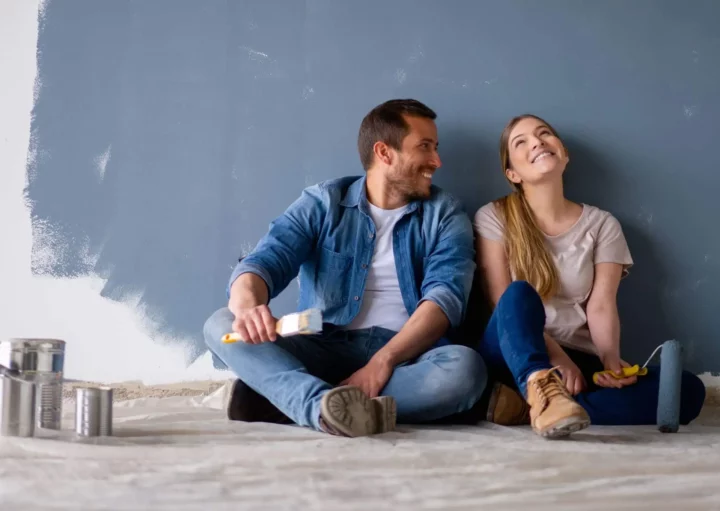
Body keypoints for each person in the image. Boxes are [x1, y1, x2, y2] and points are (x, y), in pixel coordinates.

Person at [203, 99, 488, 437]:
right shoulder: (323, 202)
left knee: (465, 371)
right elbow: (266, 259)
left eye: (435, 148)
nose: (436, 161)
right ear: (384, 153)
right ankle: (321, 407)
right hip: (321, 344)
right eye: (424, 147)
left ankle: (285, 400)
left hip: (407, 356)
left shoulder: (446, 213)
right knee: (220, 324)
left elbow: (446, 299)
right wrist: (248, 305)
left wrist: (383, 361)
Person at [472, 114, 706, 438]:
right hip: (516, 355)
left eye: (544, 134)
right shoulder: (494, 216)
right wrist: (554, 358)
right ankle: (542, 392)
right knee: (519, 293)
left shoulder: (602, 225)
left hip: (580, 362)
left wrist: (610, 360)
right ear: (512, 173)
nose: (537, 142)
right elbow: (500, 299)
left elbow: (601, 306)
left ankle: (528, 409)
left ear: (563, 154)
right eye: (521, 142)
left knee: (688, 390)